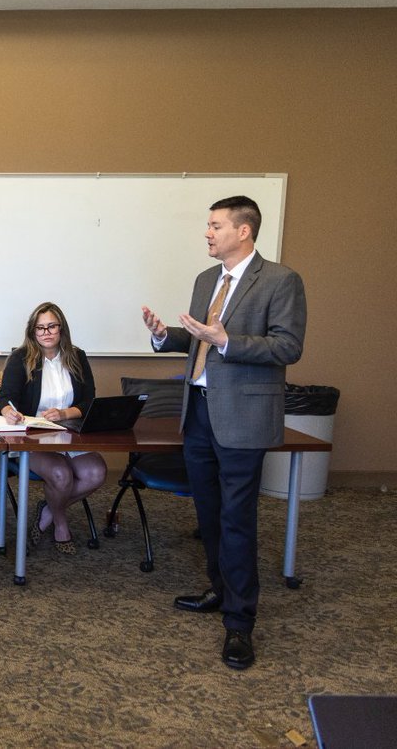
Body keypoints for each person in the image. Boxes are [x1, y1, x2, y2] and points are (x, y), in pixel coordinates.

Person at [142, 195, 306, 671]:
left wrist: (228, 341)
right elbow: (198, 341)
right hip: (198, 413)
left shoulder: (280, 280)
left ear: (244, 231)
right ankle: (219, 589)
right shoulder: (205, 280)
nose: (208, 233)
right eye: (208, 225)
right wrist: (164, 336)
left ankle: (239, 622)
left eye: (215, 225)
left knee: (237, 519)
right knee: (209, 513)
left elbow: (288, 346)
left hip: (243, 417)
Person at [0, 302, 107, 555]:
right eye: (40, 328)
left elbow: (89, 400)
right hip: (32, 436)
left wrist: (65, 413)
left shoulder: (77, 357)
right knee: (60, 475)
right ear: (32, 331)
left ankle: (48, 510)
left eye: (52, 326)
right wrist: (9, 412)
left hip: (70, 433)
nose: (46, 332)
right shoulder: (20, 359)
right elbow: (5, 399)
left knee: (96, 473)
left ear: (61, 329)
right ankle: (60, 523)